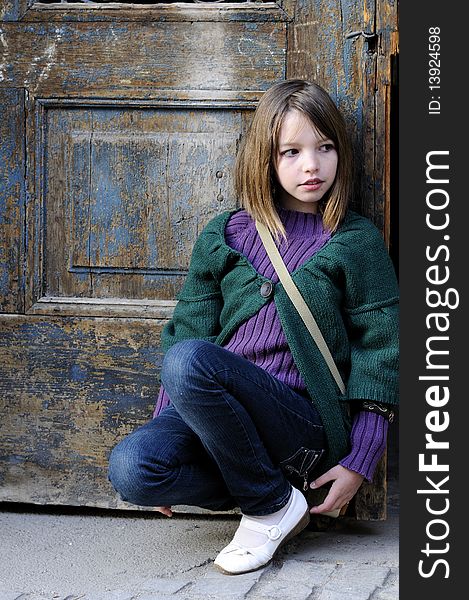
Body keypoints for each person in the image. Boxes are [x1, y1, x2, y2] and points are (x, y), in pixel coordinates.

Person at [108, 79, 399, 575]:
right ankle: (275, 496)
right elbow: (188, 329)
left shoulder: (355, 241)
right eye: (292, 151)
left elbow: (383, 351)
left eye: (325, 148)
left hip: (299, 422)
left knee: (190, 361)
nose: (312, 165)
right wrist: (165, 426)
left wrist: (359, 460)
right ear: (264, 158)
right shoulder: (226, 234)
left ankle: (268, 507)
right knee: (135, 470)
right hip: (217, 409)